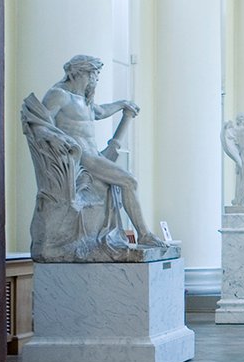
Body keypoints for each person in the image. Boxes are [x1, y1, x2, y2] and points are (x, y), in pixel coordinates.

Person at [39, 54, 165, 247]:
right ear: (78, 73)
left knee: (126, 181)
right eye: (93, 74)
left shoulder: (83, 100)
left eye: (96, 75)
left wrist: (122, 104)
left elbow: (100, 112)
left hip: (94, 155)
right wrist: (57, 139)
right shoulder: (59, 95)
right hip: (82, 158)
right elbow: (39, 123)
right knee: (128, 181)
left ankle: (141, 234)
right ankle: (144, 234)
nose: (95, 80)